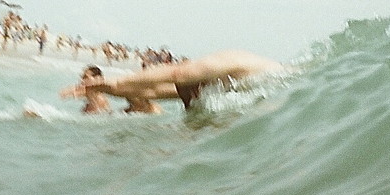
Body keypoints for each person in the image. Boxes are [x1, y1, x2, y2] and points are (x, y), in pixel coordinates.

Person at [61, 49, 285, 110]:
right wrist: (106, 88)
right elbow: (151, 92)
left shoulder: (215, 66)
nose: (189, 102)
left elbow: (174, 74)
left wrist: (116, 84)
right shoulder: (214, 85)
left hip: (284, 83)